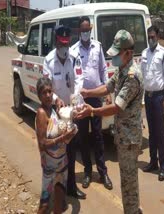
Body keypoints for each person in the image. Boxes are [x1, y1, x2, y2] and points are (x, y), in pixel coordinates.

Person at [76, 30, 144, 214]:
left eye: (117, 54)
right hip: (123, 136)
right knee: (126, 179)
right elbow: (108, 87)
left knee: (129, 182)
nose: (114, 58)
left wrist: (93, 111)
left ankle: (133, 211)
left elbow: (117, 107)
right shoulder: (121, 70)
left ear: (128, 53)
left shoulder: (132, 76)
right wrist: (88, 93)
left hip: (130, 139)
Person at [43, 25, 86, 199]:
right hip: (55, 112)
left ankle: (71, 186)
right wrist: (55, 99)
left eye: (67, 44)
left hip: (71, 111)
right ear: (56, 42)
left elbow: (79, 77)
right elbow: (46, 87)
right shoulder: (49, 60)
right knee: (56, 150)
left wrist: (76, 96)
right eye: (62, 44)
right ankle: (55, 186)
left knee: (71, 149)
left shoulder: (74, 57)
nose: (65, 48)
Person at [71, 16, 113, 190]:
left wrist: (107, 91)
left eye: (88, 29)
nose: (86, 32)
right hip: (81, 99)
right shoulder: (74, 50)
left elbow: (103, 69)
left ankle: (103, 172)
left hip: (96, 97)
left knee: (98, 136)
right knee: (83, 137)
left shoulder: (98, 47)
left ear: (91, 30)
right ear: (79, 31)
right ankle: (88, 171)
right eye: (83, 30)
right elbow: (72, 75)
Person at [35, 77, 77, 213]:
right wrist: (62, 138)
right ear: (39, 95)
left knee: (59, 199)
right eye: (44, 93)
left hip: (62, 163)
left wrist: (68, 133)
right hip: (50, 166)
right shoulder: (41, 113)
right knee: (45, 204)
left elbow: (59, 131)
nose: (47, 95)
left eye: (49, 91)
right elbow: (42, 144)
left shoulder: (53, 110)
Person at [141, 25, 164, 182]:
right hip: (148, 97)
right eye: (149, 37)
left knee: (160, 133)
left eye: (153, 37)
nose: (151, 39)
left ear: (158, 37)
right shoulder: (144, 53)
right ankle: (152, 162)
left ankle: (163, 166)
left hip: (159, 98)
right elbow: (142, 76)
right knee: (152, 132)